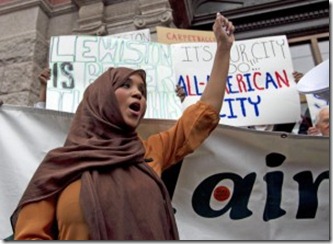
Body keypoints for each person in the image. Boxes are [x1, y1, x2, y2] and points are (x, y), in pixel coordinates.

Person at [10, 12, 235, 240]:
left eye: (142, 90)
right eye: (125, 85)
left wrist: (223, 50)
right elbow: (30, 237)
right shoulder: (59, 167)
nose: (137, 92)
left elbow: (204, 115)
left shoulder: (149, 153)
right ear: (101, 98)